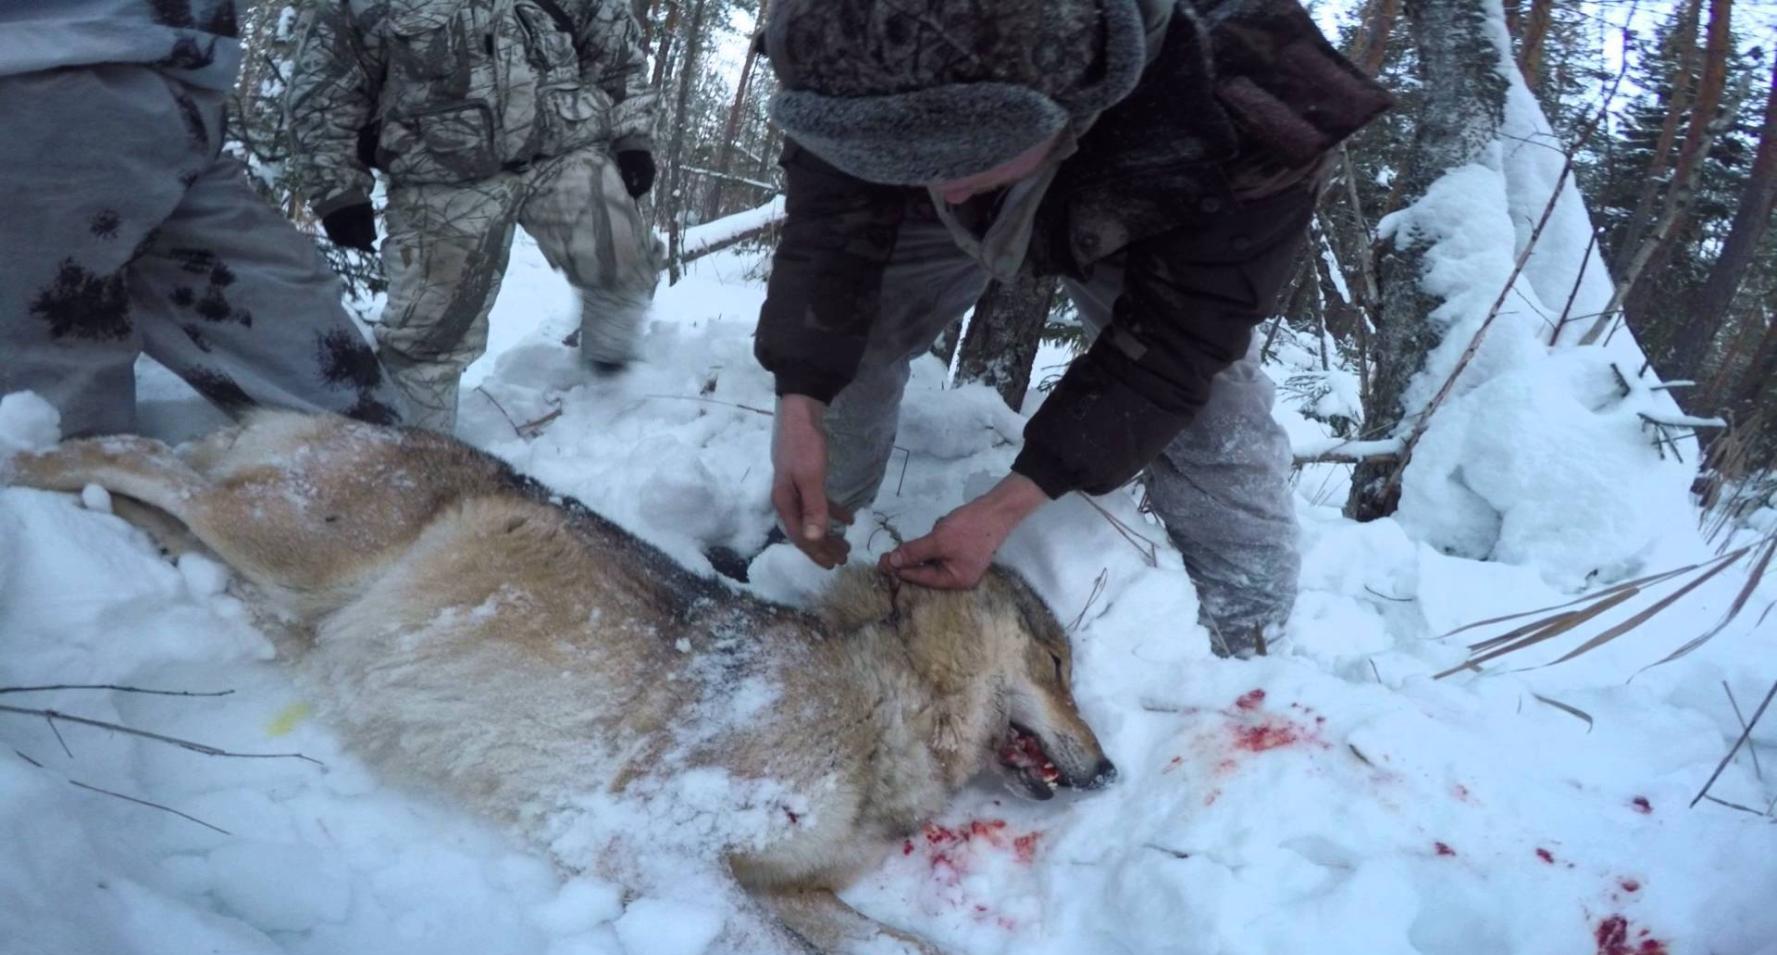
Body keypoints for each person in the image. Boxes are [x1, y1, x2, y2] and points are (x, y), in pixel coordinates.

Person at [754, 0, 1391, 655]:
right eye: (909, 162)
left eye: (960, 161)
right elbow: (831, 237)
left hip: (1155, 183)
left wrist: (1010, 502)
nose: (944, 191)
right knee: (851, 335)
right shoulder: (837, 36)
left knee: (1210, 406)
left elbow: (1179, 342)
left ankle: (1246, 632)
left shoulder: (1251, 94)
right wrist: (801, 397)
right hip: (998, 134)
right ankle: (810, 539)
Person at [0, 0, 406, 438]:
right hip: (41, 73)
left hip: (177, 91)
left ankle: (410, 489)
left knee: (351, 413)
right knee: (45, 426)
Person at [285, 0, 664, 434]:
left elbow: (617, 54)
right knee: (428, 339)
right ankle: (415, 461)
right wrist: (338, 192)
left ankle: (608, 390)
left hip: (565, 151)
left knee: (622, 257)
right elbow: (325, 92)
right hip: (441, 176)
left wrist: (633, 136)